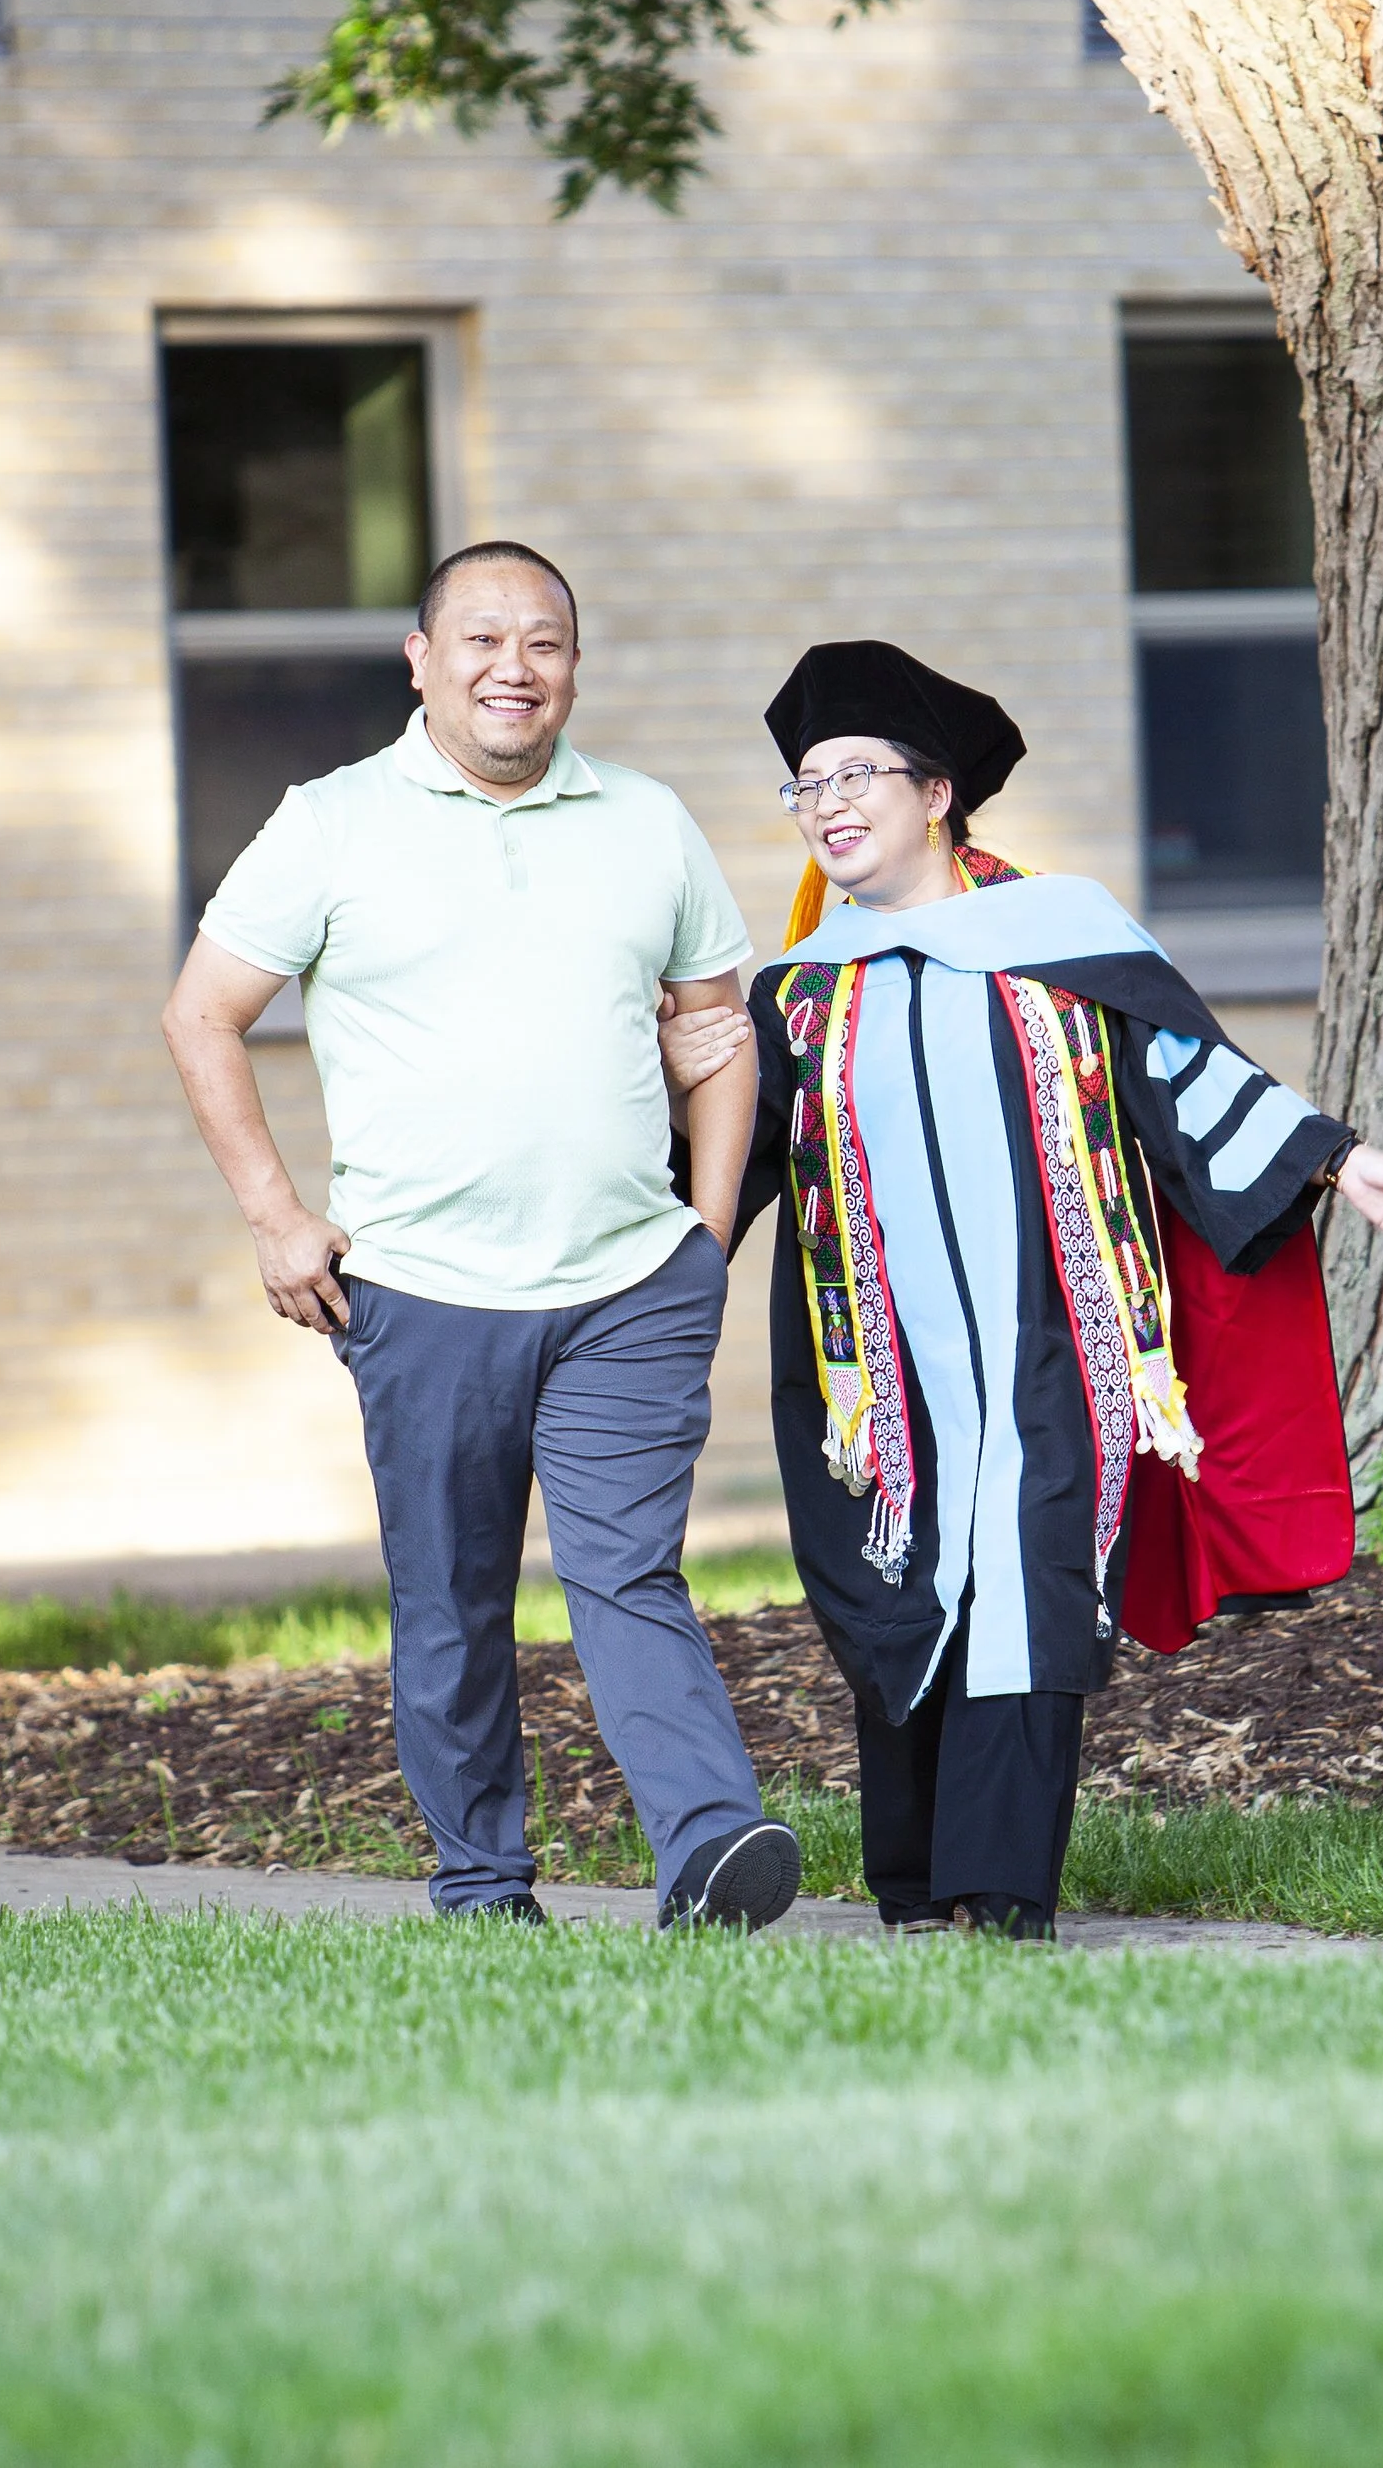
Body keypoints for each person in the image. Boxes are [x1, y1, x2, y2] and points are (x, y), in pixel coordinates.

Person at [714, 637, 1383, 1941]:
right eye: (808, 784)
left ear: (936, 791)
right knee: (905, 1589)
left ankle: (1000, 1894)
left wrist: (1339, 1160)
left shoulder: (1061, 940)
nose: (828, 804)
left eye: (857, 774)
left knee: (1029, 1587)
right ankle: (915, 1882)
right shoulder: (802, 993)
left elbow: (1189, 1079)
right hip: (874, 1380)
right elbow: (717, 1167)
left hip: (1054, 1354)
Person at [160, 540, 800, 1932]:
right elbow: (201, 1010)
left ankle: (707, 1847)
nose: (517, 667)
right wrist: (278, 1219)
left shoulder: (646, 818)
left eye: (547, 643)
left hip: (630, 1284)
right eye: (484, 639)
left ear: (575, 664)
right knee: (451, 1599)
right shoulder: (330, 822)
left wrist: (701, 1228)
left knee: (628, 1570)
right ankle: (483, 1881)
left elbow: (713, 1027)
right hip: (418, 1289)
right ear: (422, 658)